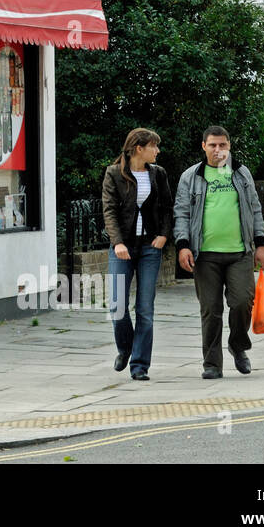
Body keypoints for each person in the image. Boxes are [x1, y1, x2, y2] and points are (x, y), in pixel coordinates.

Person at [173, 126, 264, 379]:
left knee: (242, 302)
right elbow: (182, 213)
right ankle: (212, 364)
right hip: (205, 255)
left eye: (223, 145)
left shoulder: (240, 173)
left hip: (240, 252)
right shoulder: (191, 176)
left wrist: (260, 245)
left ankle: (238, 346)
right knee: (211, 309)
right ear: (203, 146)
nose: (218, 150)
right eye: (213, 145)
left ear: (229, 146)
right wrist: (183, 245)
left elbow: (255, 209)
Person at [101, 128, 173, 381]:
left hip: (149, 247)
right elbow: (109, 210)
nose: (158, 151)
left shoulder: (158, 173)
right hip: (123, 247)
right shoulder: (114, 173)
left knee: (145, 308)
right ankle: (125, 348)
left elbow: (166, 207)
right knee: (117, 305)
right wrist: (117, 242)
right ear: (139, 148)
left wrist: (164, 235)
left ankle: (140, 365)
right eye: (154, 146)